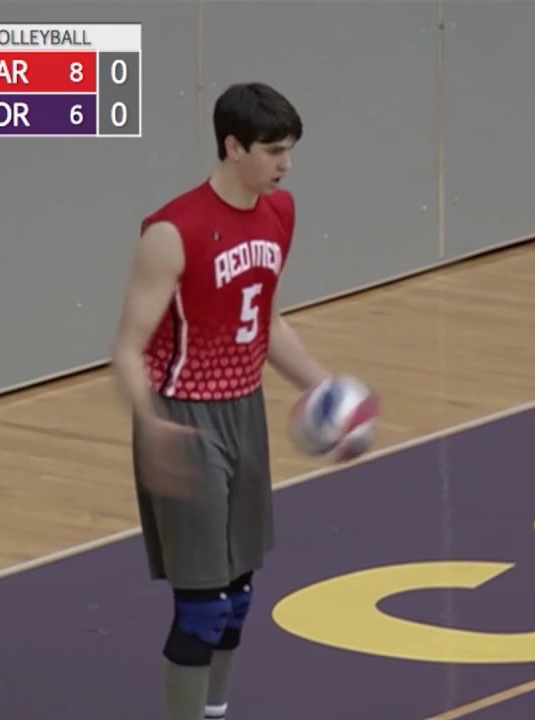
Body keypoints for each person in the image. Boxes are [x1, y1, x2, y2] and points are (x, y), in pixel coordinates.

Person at [110, 82, 342, 720]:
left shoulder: (280, 212)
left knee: (238, 597)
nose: (285, 164)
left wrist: (319, 384)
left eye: (290, 150)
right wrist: (152, 426)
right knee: (203, 605)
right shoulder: (171, 231)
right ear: (232, 146)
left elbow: (265, 318)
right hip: (183, 416)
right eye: (273, 150)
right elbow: (128, 349)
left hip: (246, 409)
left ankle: (215, 710)